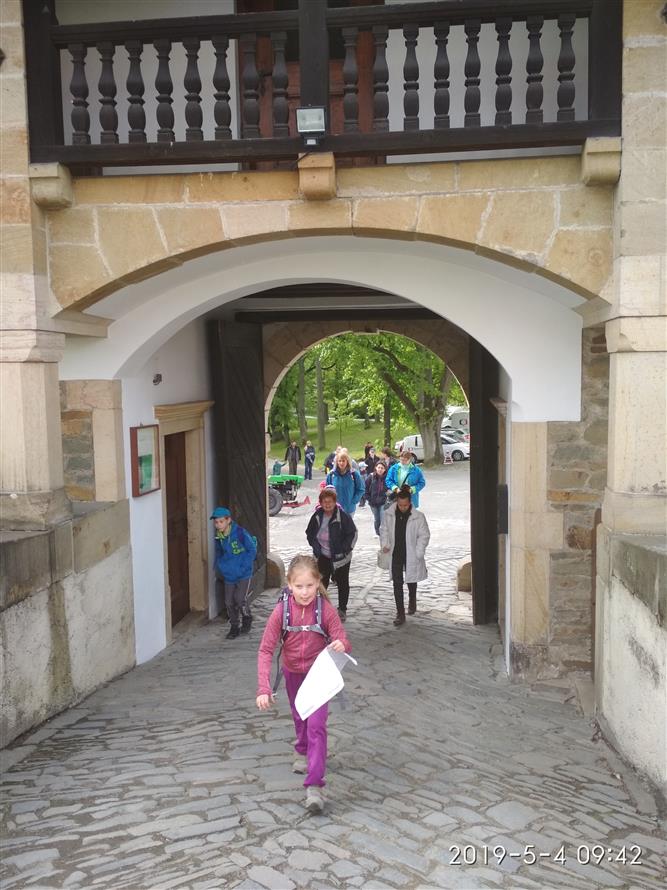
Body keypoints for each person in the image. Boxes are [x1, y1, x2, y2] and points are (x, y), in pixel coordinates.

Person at [256, 554, 351, 814]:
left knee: (317, 725)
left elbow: (342, 638)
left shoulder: (325, 609)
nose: (305, 592)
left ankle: (315, 786)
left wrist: (341, 644)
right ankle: (302, 748)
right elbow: (266, 649)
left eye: (310, 585)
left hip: (319, 675)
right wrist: (264, 687)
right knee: (300, 716)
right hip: (292, 672)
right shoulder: (281, 611)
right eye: (299, 586)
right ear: (289, 585)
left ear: (318, 582)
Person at [306, 486, 357, 621]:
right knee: (321, 583)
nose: (327, 504)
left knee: (342, 582)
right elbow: (310, 533)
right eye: (325, 502)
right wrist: (315, 547)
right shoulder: (317, 516)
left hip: (341, 557)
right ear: (321, 503)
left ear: (335, 502)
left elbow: (352, 534)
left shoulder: (343, 517)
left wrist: (344, 549)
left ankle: (342, 609)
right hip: (322, 555)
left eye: (330, 502)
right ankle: (321, 609)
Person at [380, 486, 430, 626]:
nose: (403, 508)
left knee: (411, 579)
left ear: (410, 503)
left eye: (405, 505)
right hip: (395, 552)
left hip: (411, 553)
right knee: (397, 583)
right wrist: (385, 544)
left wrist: (419, 551)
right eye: (400, 505)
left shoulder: (418, 517)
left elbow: (424, 535)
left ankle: (412, 599)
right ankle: (400, 613)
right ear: (397, 502)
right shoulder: (389, 514)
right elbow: (383, 530)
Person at [211, 506, 257, 639]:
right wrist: (220, 566)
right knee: (229, 602)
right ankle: (234, 626)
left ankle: (247, 617)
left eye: (221, 521)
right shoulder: (219, 536)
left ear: (228, 520)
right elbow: (219, 552)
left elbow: (252, 550)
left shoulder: (240, 533)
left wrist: (244, 566)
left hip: (243, 573)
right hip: (229, 574)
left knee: (240, 599)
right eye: (216, 522)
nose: (218, 525)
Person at [325, 448, 364, 516]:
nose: (341, 463)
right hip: (335, 509)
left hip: (349, 509)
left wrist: (354, 501)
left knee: (348, 523)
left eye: (343, 461)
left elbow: (361, 489)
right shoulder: (331, 475)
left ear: (347, 462)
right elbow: (327, 491)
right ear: (337, 462)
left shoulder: (354, 474)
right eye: (339, 461)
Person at [365, 459, 389, 536]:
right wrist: (369, 499)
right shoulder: (371, 477)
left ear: (385, 469)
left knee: (382, 518)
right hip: (373, 503)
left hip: (383, 502)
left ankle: (382, 533)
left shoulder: (387, 478)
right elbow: (365, 489)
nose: (380, 469)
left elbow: (390, 489)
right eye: (379, 467)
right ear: (376, 468)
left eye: (382, 468)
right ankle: (377, 531)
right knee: (377, 519)